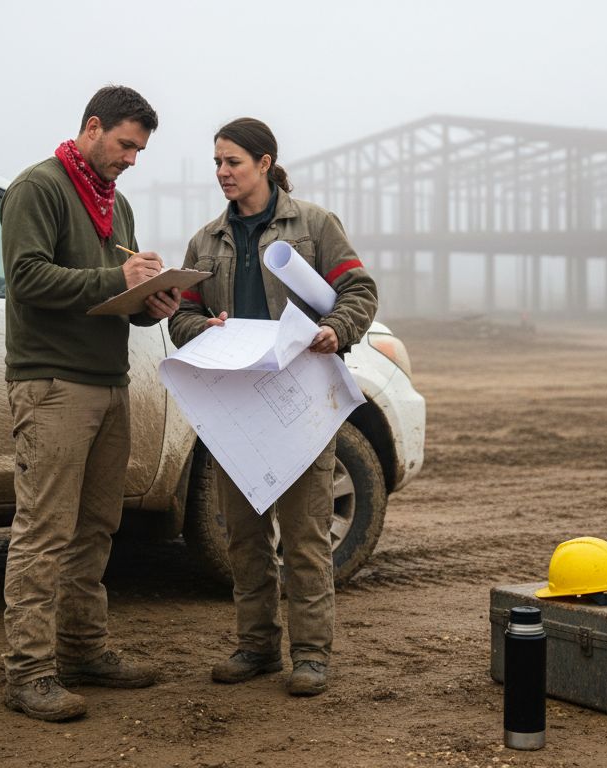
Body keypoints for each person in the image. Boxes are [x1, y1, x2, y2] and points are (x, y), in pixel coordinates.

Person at [169, 117, 378, 696]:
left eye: (232, 162)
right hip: (238, 406)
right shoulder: (206, 241)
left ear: (264, 163)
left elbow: (359, 288)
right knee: (244, 535)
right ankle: (256, 646)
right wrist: (201, 328)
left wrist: (338, 328)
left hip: (302, 400)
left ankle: (310, 655)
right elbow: (180, 316)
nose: (222, 173)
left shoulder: (312, 225)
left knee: (306, 535)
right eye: (216, 162)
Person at [0, 85, 181, 722]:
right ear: (93, 127)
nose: (132, 159)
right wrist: (118, 279)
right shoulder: (38, 188)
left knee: (97, 525)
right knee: (45, 532)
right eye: (126, 145)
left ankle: (82, 649)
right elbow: (24, 278)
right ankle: (27, 673)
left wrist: (152, 301)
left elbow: (115, 297)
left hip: (107, 382)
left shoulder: (116, 204)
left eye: (139, 150)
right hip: (52, 383)